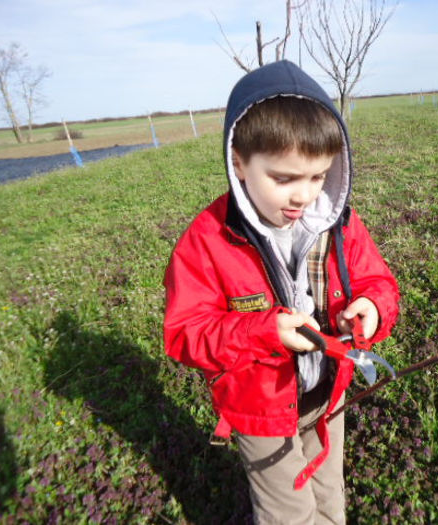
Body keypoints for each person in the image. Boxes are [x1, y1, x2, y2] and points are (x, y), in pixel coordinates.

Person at [163, 60, 400, 525]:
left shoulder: (340, 225)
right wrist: (264, 331)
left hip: (328, 395)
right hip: (260, 409)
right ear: (239, 162)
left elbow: (378, 282)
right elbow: (185, 334)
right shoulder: (208, 239)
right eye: (284, 178)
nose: (304, 197)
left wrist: (373, 307)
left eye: (317, 177)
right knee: (289, 512)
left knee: (329, 497)